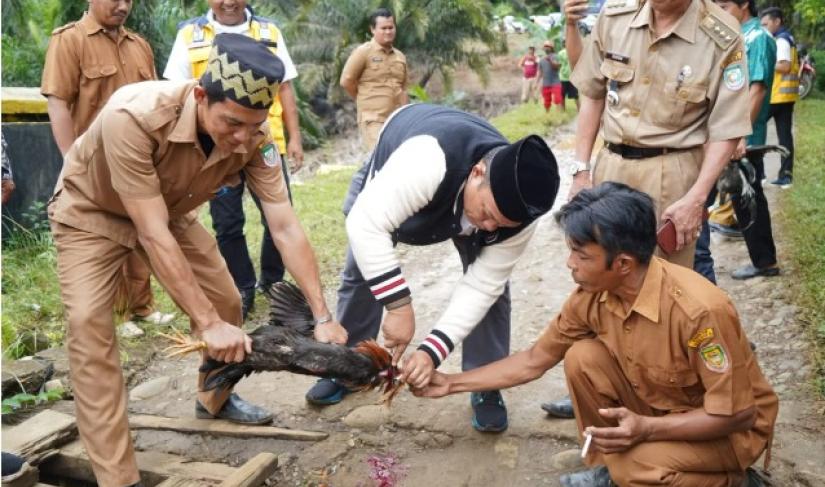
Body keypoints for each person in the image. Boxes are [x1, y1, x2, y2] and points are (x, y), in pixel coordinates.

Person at [48, 34, 346, 487]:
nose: (242, 138)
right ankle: (119, 478)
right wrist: (205, 324)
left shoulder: (255, 138)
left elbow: (284, 225)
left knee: (227, 301)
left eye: (254, 125)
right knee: (90, 328)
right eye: (232, 124)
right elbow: (149, 232)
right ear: (201, 95)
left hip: (168, 210)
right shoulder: (135, 115)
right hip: (93, 212)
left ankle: (214, 398)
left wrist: (323, 315)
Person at [416, 183, 778, 487]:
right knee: (582, 357)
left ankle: (738, 479)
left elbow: (738, 416)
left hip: (726, 430)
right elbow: (533, 361)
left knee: (635, 466)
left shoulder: (699, 311)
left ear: (622, 264)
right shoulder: (593, 296)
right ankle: (609, 467)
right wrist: (450, 383)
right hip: (660, 408)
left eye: (580, 254)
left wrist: (647, 429)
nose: (569, 263)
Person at [542, 0, 753, 420]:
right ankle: (599, 385)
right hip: (611, 166)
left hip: (672, 174)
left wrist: (697, 197)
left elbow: (726, 129)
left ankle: (662, 410)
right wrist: (582, 169)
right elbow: (591, 94)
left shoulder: (721, 35)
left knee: (661, 299)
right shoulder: (616, 17)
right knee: (597, 281)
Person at [304, 103, 559, 434]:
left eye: (501, 223)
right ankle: (348, 366)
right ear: (478, 172)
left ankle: (483, 383)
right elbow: (365, 224)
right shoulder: (426, 161)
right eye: (486, 213)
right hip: (406, 157)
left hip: (456, 186)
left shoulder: (519, 216)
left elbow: (482, 285)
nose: (489, 226)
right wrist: (398, 306)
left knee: (493, 293)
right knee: (363, 268)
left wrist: (430, 352)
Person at [164, 0, 304, 319]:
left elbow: (285, 89)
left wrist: (294, 137)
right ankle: (242, 286)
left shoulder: (269, 31)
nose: (228, 2)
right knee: (227, 222)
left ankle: (273, 281)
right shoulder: (190, 35)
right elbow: (176, 92)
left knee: (278, 216)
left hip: (263, 144)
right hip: (214, 148)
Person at [41, 0, 173, 329]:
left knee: (143, 230)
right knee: (106, 237)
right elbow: (58, 105)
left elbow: (154, 101)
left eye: (128, 0)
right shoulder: (69, 40)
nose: (122, 6)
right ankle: (119, 313)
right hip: (94, 166)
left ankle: (142, 306)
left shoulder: (139, 46)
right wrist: (71, 160)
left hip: (139, 159)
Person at [714, 0, 780, 282]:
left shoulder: (758, 38)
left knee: (749, 197)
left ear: (744, 4)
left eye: (724, 5)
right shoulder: (736, 36)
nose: (720, 11)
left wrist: (740, 133)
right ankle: (762, 259)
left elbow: (757, 89)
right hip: (728, 131)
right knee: (742, 197)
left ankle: (764, 262)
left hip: (743, 136)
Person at [340, 7, 408, 150]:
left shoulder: (400, 57)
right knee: (381, 156)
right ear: (373, 29)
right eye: (383, 28)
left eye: (391, 27)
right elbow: (346, 81)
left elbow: (403, 89)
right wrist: (363, 99)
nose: (388, 31)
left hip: (397, 119)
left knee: (399, 158)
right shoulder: (363, 52)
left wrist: (407, 113)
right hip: (373, 119)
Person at [760, 7, 798, 188]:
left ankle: (758, 173)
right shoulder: (786, 37)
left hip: (775, 97)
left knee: (753, 130)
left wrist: (765, 60)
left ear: (777, 22)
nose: (764, 28)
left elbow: (784, 66)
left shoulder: (781, 40)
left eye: (766, 24)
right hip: (785, 97)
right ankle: (786, 176)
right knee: (784, 137)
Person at [539, 41, 563, 112]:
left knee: (557, 99)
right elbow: (540, 72)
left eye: (548, 46)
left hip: (555, 82)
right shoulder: (542, 59)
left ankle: (558, 114)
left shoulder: (556, 56)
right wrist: (536, 82)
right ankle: (548, 115)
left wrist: (550, 61)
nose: (546, 48)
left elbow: (557, 67)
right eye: (545, 47)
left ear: (551, 48)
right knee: (546, 101)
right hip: (546, 83)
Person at [557, 40, 580, 112]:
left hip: (565, 77)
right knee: (575, 95)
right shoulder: (572, 51)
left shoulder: (560, 53)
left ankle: (563, 110)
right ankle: (579, 109)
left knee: (563, 95)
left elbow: (559, 64)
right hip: (568, 77)